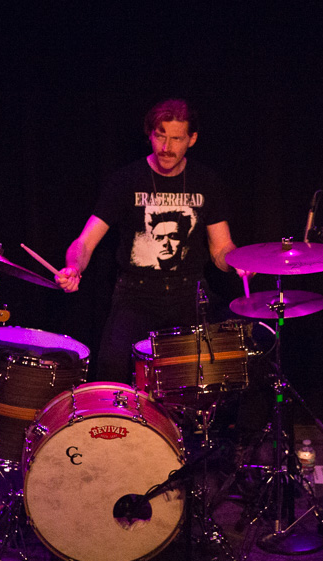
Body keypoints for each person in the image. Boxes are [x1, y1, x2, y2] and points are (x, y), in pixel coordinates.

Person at [56, 98, 244, 383]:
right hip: (136, 296)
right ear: (150, 135)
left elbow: (221, 248)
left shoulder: (206, 181)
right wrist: (74, 267)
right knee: (111, 371)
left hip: (189, 295)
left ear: (192, 139)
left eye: (176, 138)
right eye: (160, 136)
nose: (166, 148)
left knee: (228, 363)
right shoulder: (126, 180)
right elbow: (84, 242)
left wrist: (239, 263)